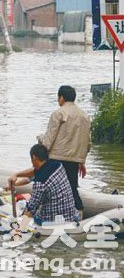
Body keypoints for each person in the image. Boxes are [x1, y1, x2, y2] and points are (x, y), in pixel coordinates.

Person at [37, 85, 91, 216]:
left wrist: (40, 149)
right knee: (72, 187)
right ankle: (79, 212)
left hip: (57, 157)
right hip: (74, 159)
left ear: (61, 97)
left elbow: (49, 138)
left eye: (58, 97)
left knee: (48, 186)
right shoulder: (84, 115)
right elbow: (87, 142)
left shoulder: (59, 113)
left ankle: (44, 213)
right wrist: (82, 161)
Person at [10, 144, 79, 229]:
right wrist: (16, 175)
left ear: (34, 157)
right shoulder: (58, 166)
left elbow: (31, 209)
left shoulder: (40, 183)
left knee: (29, 210)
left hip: (53, 223)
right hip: (72, 217)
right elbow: (34, 172)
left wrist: (20, 227)